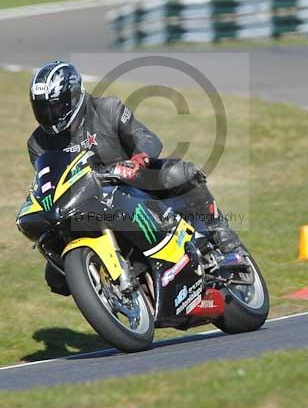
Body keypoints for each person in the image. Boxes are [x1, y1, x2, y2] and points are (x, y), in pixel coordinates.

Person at [22, 60, 241, 294]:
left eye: (54, 106)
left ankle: (223, 238)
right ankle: (109, 288)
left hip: (132, 182)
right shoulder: (37, 143)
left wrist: (138, 159)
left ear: (73, 96)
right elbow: (47, 181)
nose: (49, 114)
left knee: (182, 173)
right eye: (42, 108)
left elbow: (146, 137)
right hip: (84, 202)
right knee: (55, 276)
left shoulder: (107, 109)